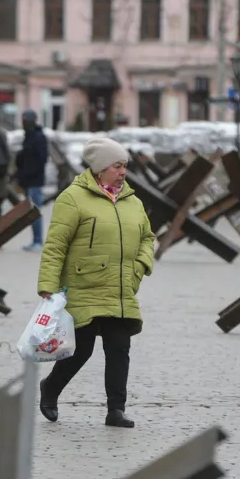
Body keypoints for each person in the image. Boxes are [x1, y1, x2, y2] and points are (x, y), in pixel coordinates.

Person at [36, 136, 155, 429]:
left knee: (119, 348)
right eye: (117, 166)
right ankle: (50, 388)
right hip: (83, 285)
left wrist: (140, 266)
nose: (123, 172)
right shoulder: (72, 198)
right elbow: (55, 245)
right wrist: (48, 285)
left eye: (124, 166)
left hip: (120, 288)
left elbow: (147, 238)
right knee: (81, 349)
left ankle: (116, 410)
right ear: (100, 169)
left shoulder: (133, 201)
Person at [16, 109, 49, 251]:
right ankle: (35, 240)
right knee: (31, 212)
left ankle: (38, 241)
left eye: (26, 120)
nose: (24, 123)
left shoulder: (38, 137)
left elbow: (41, 159)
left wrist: (28, 172)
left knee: (35, 212)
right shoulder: (28, 136)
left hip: (35, 181)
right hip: (27, 180)